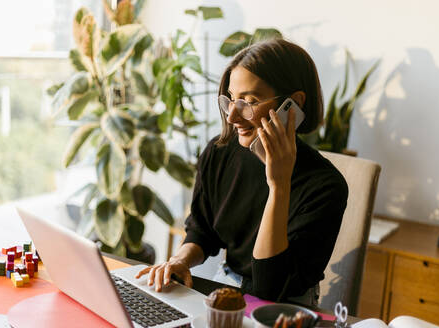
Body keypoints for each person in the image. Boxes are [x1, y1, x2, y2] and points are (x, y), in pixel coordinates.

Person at [135, 38, 348, 305]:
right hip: (227, 288)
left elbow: (269, 287)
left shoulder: (326, 186)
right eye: (231, 100)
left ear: (293, 103)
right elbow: (202, 230)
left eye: (249, 101)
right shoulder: (219, 152)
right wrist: (179, 260)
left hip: (286, 307)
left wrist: (279, 185)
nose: (232, 117)